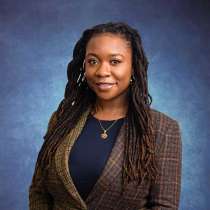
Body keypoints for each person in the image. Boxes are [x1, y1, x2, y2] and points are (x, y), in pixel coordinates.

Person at [29, 22, 182, 210]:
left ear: (133, 67)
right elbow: (39, 191)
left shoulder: (163, 129)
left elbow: (163, 206)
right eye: (93, 61)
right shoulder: (62, 119)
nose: (102, 72)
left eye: (115, 61)